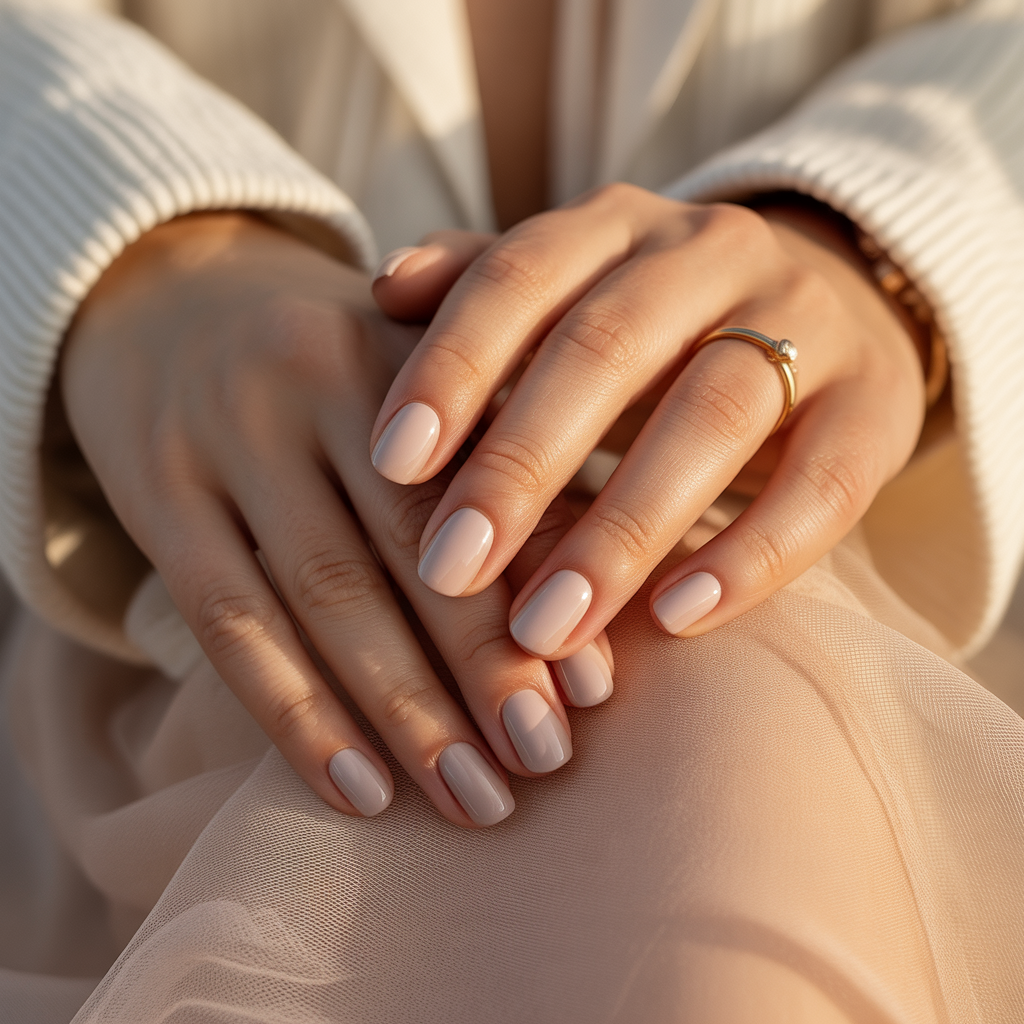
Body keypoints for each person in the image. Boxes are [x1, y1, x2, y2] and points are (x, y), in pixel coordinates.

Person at [1, 0, 1023, 1020]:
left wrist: (879, 246)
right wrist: (136, 241)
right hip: (155, 554)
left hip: (864, 529)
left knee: (702, 675)